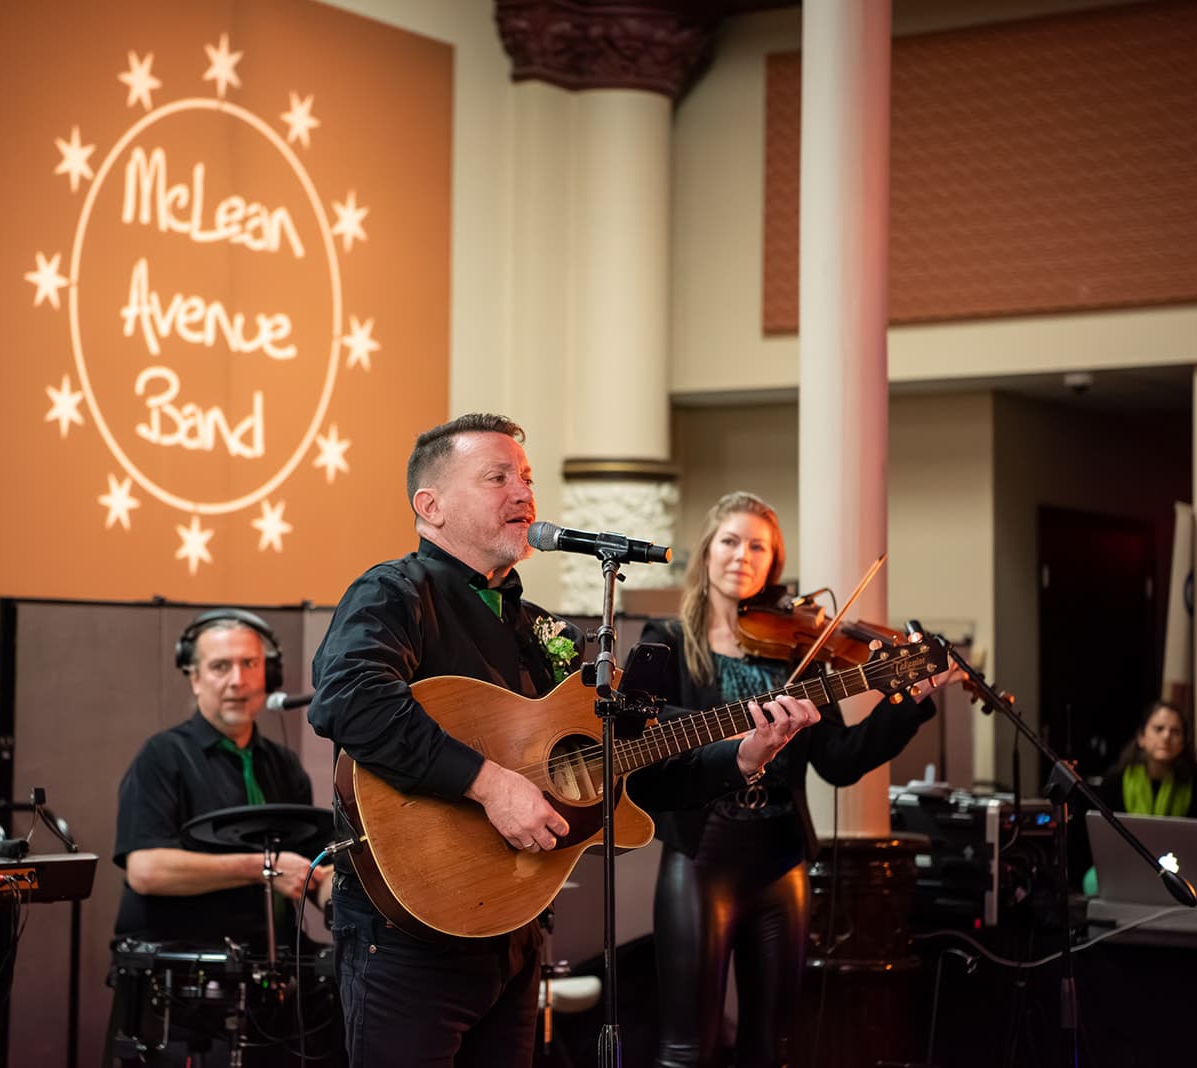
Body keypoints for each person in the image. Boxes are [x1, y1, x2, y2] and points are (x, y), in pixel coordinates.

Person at [308, 416, 821, 1068]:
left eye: (526, 478)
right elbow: (351, 699)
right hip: (408, 939)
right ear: (429, 507)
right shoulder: (393, 594)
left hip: (517, 931)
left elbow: (627, 758)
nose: (524, 494)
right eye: (498, 478)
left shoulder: (540, 630)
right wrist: (489, 784)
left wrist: (742, 753)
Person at [633, 491, 952, 1068]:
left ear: (772, 565)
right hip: (701, 852)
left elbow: (839, 759)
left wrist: (908, 703)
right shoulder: (668, 640)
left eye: (759, 547)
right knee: (687, 1048)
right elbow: (647, 741)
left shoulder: (794, 653)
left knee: (776, 1046)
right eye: (730, 540)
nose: (742, 555)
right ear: (706, 552)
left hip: (780, 855)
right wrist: (737, 745)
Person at [110, 608, 334, 1066]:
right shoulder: (162, 757)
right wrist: (264, 868)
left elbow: (312, 871)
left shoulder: (284, 766)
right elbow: (145, 869)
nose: (238, 680)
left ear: (268, 673)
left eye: (249, 664)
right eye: (220, 666)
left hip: (274, 986)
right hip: (183, 990)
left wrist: (336, 893)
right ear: (193, 678)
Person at [1077, 698, 1197, 896]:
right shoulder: (1115, 781)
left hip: (1186, 867)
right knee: (1092, 882)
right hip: (1128, 865)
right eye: (1159, 729)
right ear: (1141, 737)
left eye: (1175, 731)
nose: (1166, 736)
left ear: (1183, 741)